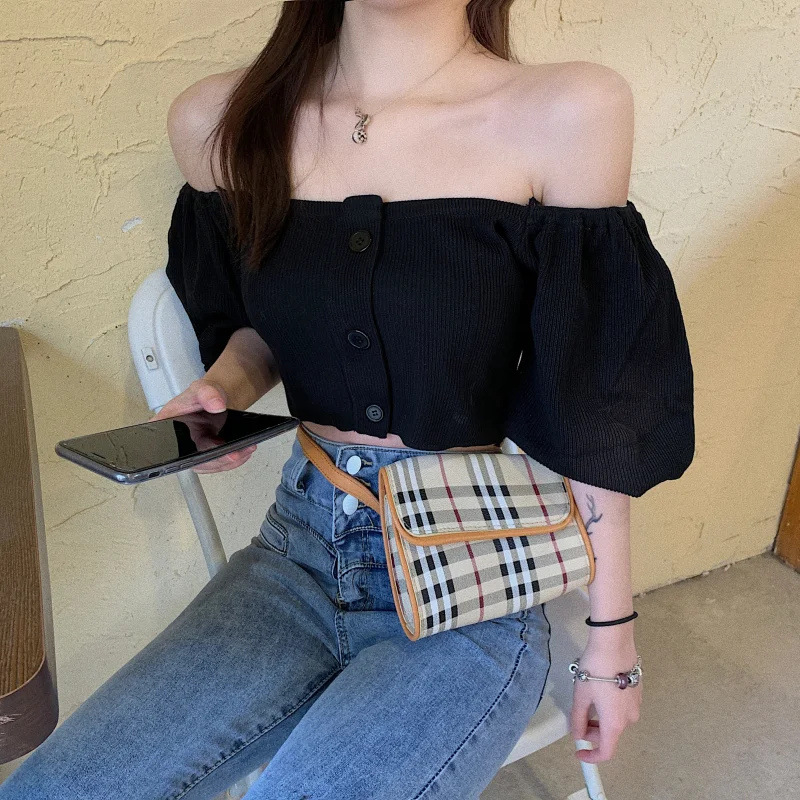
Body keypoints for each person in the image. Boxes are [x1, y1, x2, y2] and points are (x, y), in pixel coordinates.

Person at [0, 1, 694, 798]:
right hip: (293, 556)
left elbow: (595, 410)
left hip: (471, 578)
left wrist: (610, 640)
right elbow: (254, 331)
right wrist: (222, 387)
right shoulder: (220, 121)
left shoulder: (568, 112)